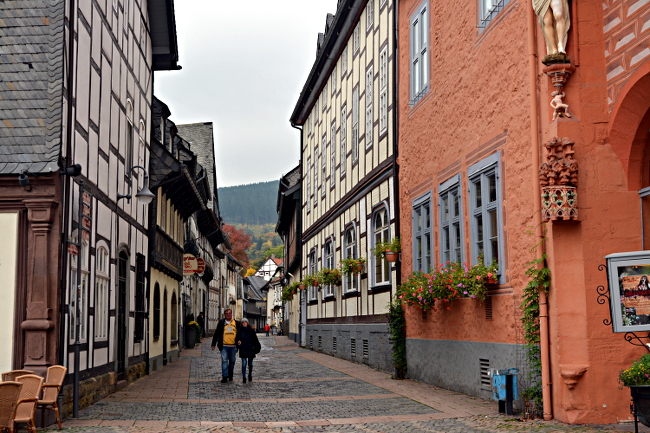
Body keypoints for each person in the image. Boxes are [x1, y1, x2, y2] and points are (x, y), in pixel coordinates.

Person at [211, 308, 238, 383]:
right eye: (227, 313)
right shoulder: (221, 322)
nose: (228, 315)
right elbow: (217, 333)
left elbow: (239, 334)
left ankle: (230, 374)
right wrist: (213, 344)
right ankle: (224, 376)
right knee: (224, 361)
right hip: (224, 346)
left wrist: (239, 341)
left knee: (232, 361)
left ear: (231, 314)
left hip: (233, 346)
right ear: (224, 314)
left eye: (229, 313)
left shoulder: (236, 323)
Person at [237, 318, 261, 383]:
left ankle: (250, 374)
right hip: (243, 349)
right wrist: (238, 343)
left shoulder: (251, 331)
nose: (244, 323)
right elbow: (237, 339)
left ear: (247, 323)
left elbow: (255, 340)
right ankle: (244, 377)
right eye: (243, 322)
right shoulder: (240, 331)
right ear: (241, 324)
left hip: (250, 349)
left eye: (245, 322)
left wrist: (255, 347)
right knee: (244, 363)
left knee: (250, 364)